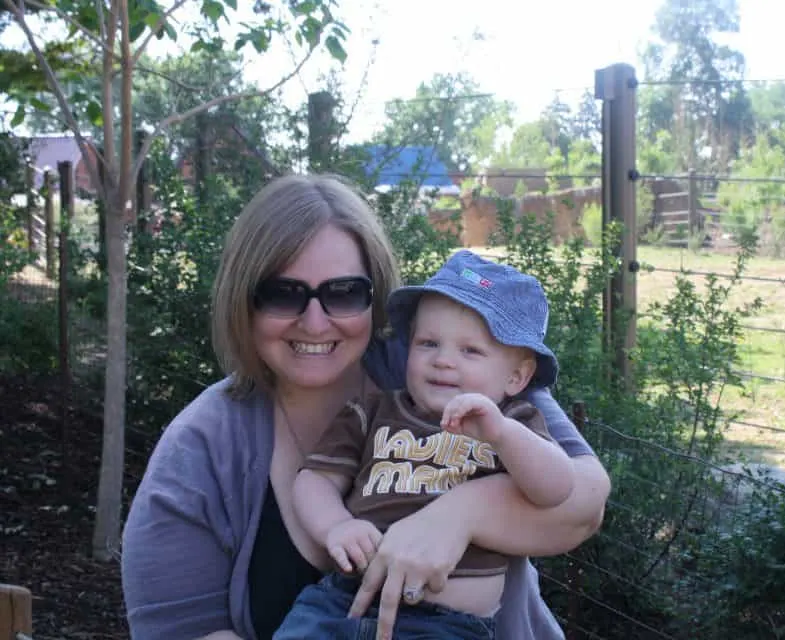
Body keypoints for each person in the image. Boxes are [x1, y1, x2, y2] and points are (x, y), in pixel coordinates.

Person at [120, 173, 611, 640]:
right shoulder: (201, 447)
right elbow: (181, 628)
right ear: (241, 300)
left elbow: (584, 502)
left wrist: (460, 513)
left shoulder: (441, 368)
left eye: (344, 292)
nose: (315, 323)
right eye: (281, 294)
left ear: (376, 297)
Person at [274, 250, 576, 640]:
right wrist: (337, 526)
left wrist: (502, 433)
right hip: (340, 604)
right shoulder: (374, 410)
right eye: (428, 343)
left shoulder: (514, 425)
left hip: (448, 623)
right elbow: (314, 480)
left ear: (517, 376)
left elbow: (557, 489)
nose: (443, 361)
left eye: (470, 351)